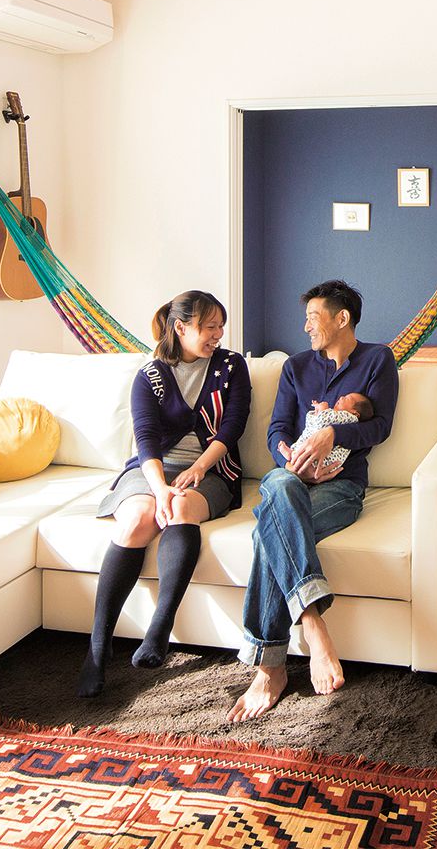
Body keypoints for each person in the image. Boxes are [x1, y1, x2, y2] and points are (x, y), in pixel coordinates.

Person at [226, 280, 398, 722]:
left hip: (341, 486)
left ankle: (269, 669)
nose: (305, 327)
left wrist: (332, 434)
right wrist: (292, 459)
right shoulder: (296, 367)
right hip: (292, 479)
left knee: (268, 533)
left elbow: (380, 427)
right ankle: (313, 623)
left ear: (342, 319)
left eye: (313, 318)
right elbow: (277, 429)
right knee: (280, 485)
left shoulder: (378, 360)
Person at [79, 290, 249, 698]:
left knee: (183, 509)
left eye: (220, 327)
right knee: (138, 519)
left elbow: (232, 427)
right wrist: (160, 489)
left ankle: (160, 627)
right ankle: (98, 647)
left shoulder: (231, 366)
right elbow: (145, 439)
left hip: (211, 468)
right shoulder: (150, 375)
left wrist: (197, 469)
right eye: (209, 327)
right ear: (181, 328)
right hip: (152, 469)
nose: (218, 334)